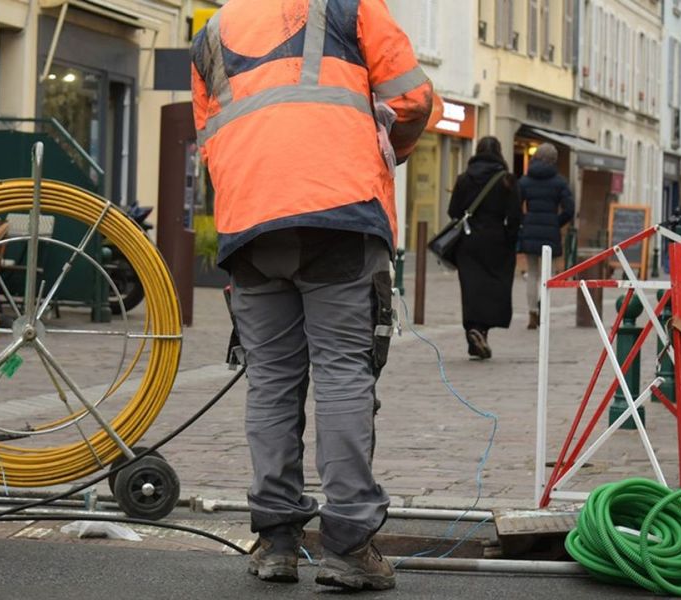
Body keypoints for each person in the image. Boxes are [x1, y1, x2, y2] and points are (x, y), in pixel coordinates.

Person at [190, 0, 433, 591]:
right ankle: (348, 545)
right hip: (340, 211)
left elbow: (210, 134)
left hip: (250, 222)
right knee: (343, 372)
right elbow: (413, 100)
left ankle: (276, 541)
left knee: (271, 380)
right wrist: (391, 149)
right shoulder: (351, 6)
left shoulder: (213, 31)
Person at [447, 137, 522, 359]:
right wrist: (510, 239)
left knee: (471, 288)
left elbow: (453, 211)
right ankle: (481, 332)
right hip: (497, 241)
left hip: (468, 241)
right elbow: (515, 215)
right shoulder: (507, 180)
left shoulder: (464, 179)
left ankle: (473, 332)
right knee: (494, 288)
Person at [517, 143, 574, 330]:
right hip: (550, 231)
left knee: (532, 273)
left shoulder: (525, 180)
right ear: (554, 160)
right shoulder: (559, 182)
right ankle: (543, 308)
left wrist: (525, 221)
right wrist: (556, 222)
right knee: (547, 274)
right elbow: (569, 209)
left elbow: (514, 205)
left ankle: (532, 312)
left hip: (530, 230)